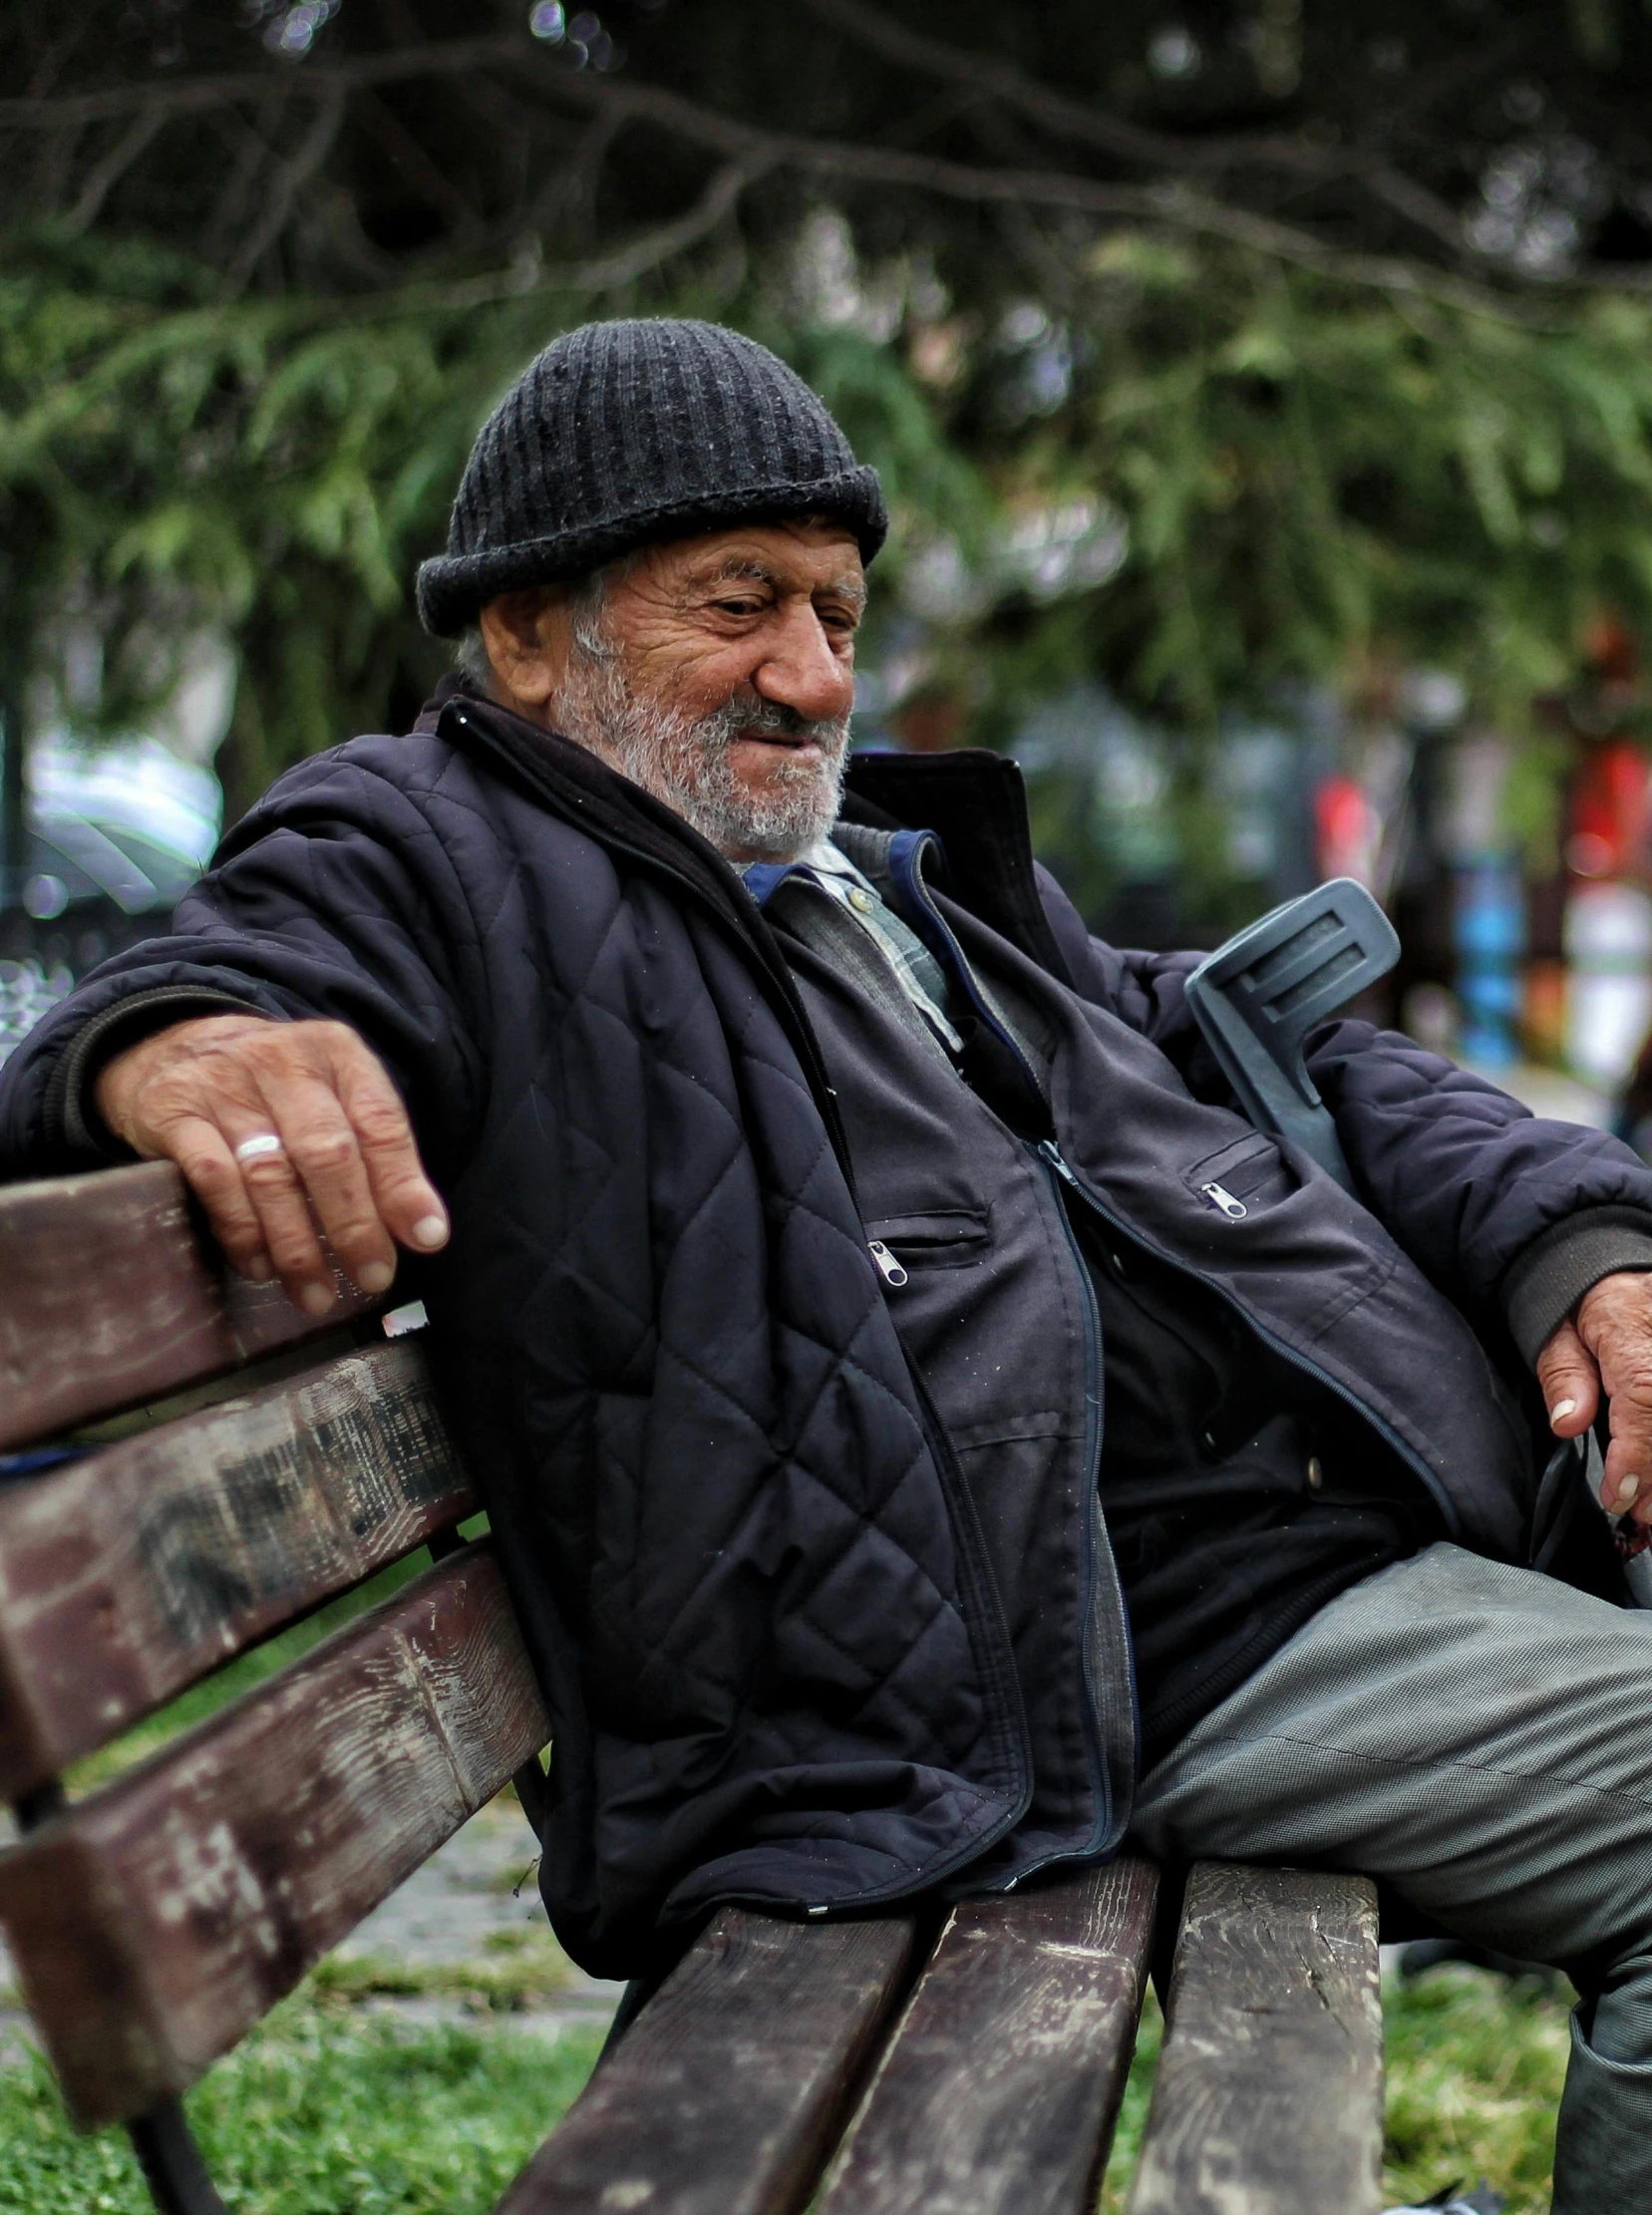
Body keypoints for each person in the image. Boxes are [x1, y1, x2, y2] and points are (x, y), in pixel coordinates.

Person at [5, 319, 1652, 2209]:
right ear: (534, 634)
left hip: (1295, 1543)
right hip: (1074, 1669)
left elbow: (1279, 1052)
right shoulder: (447, 843)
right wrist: (176, 1048)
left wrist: (1578, 1237)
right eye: (741, 606)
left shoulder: (893, 891)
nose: (812, 674)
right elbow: (212, 967)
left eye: (839, 614)